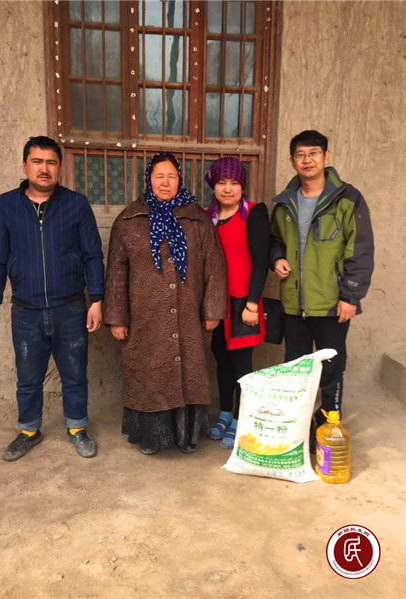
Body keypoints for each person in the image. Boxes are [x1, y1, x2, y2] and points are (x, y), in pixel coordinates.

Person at [0, 136, 104, 461]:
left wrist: (96, 299)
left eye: (51, 162)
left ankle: (77, 427)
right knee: (28, 377)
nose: (44, 169)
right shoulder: (6, 205)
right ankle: (29, 430)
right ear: (25, 166)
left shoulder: (76, 204)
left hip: (70, 306)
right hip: (26, 309)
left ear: (59, 168)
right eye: (37, 161)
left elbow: (92, 254)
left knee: (74, 373)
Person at [104, 152, 227, 455]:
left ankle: (186, 436)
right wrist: (117, 317)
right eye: (159, 176)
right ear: (149, 179)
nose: (165, 182)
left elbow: (214, 266)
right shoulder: (129, 220)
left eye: (171, 176)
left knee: (189, 372)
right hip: (145, 316)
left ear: (179, 180)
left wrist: (212, 309)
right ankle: (152, 438)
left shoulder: (197, 219)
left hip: (189, 313)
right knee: (150, 375)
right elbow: (116, 271)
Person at [270, 130, 374, 432]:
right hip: (294, 303)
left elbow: (360, 248)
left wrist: (350, 296)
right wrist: (277, 258)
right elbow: (275, 240)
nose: (307, 160)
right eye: (300, 155)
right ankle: (298, 428)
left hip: (331, 302)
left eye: (313, 153)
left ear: (326, 157)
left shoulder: (348, 199)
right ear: (292, 160)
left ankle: (329, 424)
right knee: (297, 369)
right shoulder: (285, 203)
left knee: (331, 369)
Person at [204, 157, 270, 449]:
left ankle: (242, 418)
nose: (228, 189)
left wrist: (252, 304)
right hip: (216, 302)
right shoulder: (207, 218)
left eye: (234, 183)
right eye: (221, 182)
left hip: (244, 302)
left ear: (243, 186)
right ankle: (225, 413)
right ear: (213, 185)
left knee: (242, 364)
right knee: (221, 360)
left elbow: (261, 262)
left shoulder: (254, 213)